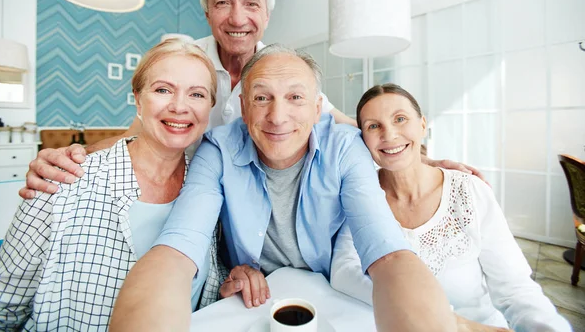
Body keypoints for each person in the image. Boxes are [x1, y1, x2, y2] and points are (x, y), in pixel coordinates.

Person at [108, 44, 458, 332]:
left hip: (332, 297)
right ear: (243, 107)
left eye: (295, 98)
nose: (278, 117)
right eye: (262, 98)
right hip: (253, 303)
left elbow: (389, 253)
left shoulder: (346, 147)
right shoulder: (218, 149)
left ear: (318, 108)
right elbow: (176, 250)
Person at [18, 0, 359, 200]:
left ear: (267, 14)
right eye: (223, 2)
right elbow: (136, 135)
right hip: (189, 195)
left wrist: (406, 141)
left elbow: (340, 121)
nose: (238, 19)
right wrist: (69, 159)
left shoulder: (282, 70)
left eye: (251, 4)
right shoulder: (186, 62)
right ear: (207, 12)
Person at [0, 41, 224, 330]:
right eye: (163, 90)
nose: (179, 106)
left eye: (196, 94)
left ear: (209, 107)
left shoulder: (209, 190)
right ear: (137, 99)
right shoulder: (62, 181)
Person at [329, 83, 572, 332]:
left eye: (400, 119)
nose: (389, 135)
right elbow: (343, 272)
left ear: (422, 125)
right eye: (373, 125)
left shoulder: (470, 191)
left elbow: (516, 289)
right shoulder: (362, 195)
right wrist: (431, 317)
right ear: (362, 138)